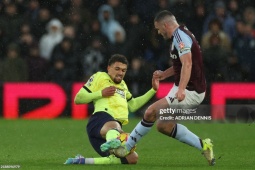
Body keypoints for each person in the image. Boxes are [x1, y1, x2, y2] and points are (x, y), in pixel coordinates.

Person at [102, 10, 216, 166]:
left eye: (158, 29)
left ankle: (125, 148)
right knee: (163, 126)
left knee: (150, 112)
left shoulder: (180, 37)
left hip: (191, 90)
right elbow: (182, 64)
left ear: (165, 25)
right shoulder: (182, 33)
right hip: (184, 86)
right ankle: (204, 145)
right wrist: (164, 74)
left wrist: (182, 89)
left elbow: (188, 63)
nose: (158, 32)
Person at [64, 54, 159, 165]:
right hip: (100, 120)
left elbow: (133, 105)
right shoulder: (100, 76)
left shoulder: (123, 85)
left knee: (132, 159)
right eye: (117, 69)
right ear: (109, 68)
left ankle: (82, 161)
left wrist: (153, 90)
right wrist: (101, 93)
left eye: (123, 70)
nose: (120, 73)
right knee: (114, 127)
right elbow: (78, 98)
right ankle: (113, 141)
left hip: (112, 130)